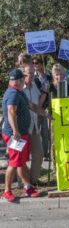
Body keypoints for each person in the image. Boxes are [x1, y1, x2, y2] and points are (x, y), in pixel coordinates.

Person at [1, 69, 51, 202]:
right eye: (22, 78)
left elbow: (32, 106)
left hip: (22, 134)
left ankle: (27, 186)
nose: (24, 80)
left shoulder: (19, 92)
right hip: (15, 136)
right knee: (14, 163)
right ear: (17, 80)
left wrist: (45, 114)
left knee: (21, 162)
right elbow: (11, 112)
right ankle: (7, 191)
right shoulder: (13, 94)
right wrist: (16, 131)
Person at [21, 64, 44, 186]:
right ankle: (23, 183)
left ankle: (33, 180)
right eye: (29, 73)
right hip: (23, 127)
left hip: (34, 125)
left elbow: (38, 102)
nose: (31, 75)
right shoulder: (20, 88)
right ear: (24, 74)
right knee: (22, 157)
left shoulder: (34, 85)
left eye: (33, 73)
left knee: (39, 153)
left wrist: (44, 91)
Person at [31, 56, 52, 163]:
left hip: (46, 108)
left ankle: (45, 152)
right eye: (33, 63)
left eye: (37, 63)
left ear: (42, 63)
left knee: (45, 131)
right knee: (36, 131)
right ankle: (37, 152)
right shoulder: (32, 78)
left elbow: (51, 92)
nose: (35, 65)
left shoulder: (49, 76)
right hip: (36, 108)